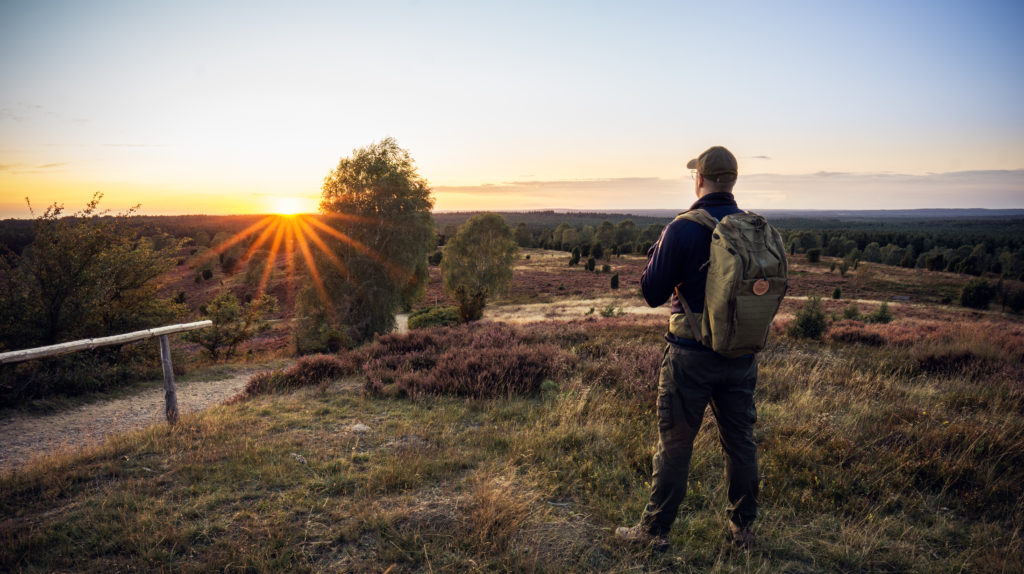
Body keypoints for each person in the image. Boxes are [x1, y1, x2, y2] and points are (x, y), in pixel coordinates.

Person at [615, 145, 759, 551]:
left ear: (699, 179)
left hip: (689, 357)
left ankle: (653, 532)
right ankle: (743, 530)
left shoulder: (682, 228)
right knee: (741, 442)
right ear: (732, 180)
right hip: (740, 355)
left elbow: (651, 293)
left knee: (676, 445)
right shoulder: (753, 228)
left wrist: (655, 259)